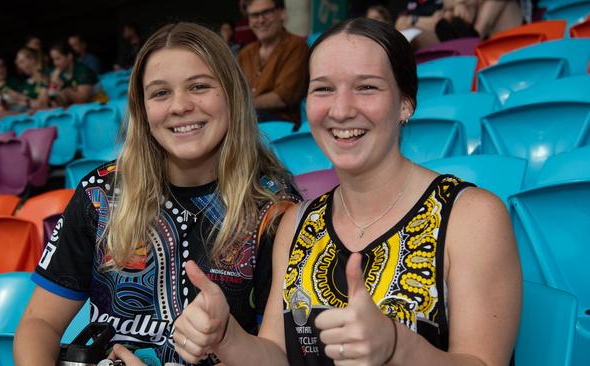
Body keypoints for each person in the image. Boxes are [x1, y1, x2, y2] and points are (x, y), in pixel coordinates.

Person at [172, 18, 522, 366]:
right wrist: (227, 338)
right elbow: (278, 357)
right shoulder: (296, 223)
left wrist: (397, 346)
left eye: (367, 87)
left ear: (405, 102)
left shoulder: (470, 216)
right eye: (323, 89)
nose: (341, 110)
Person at [13, 22, 301, 366]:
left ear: (232, 94)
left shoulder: (275, 209)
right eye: (161, 93)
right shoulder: (99, 195)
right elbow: (39, 323)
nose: (180, 106)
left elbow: (276, 357)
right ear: (142, 108)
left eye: (199, 86)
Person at [238, 0, 309, 125]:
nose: (261, 20)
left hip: (281, 126)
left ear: (282, 13)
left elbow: (282, 98)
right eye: (254, 15)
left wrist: (239, 105)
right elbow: (235, 91)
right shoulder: (245, 53)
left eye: (266, 12)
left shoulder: (296, 47)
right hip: (247, 120)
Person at [13, 47, 50, 112]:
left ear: (33, 60)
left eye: (22, 62)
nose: (20, 66)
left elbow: (42, 105)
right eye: (19, 63)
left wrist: (19, 97)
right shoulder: (26, 82)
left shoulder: (47, 76)